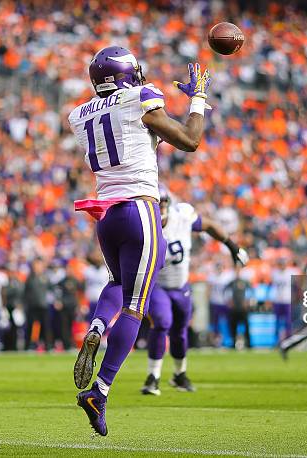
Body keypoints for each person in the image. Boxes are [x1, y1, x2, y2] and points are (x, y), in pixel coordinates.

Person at [70, 46, 211, 436]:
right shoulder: (142, 95)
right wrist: (198, 98)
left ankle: (98, 325)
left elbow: (136, 135)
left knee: (117, 284)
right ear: (127, 74)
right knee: (137, 305)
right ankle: (99, 389)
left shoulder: (79, 114)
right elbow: (189, 139)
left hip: (107, 214)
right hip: (141, 211)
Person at [140, 184, 248, 395]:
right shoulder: (143, 224)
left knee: (180, 331)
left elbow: (208, 225)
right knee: (162, 322)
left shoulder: (182, 215)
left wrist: (232, 246)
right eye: (156, 203)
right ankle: (153, 376)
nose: (161, 207)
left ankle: (179, 375)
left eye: (163, 203)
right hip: (157, 285)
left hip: (181, 286)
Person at [23, 258, 51, 351]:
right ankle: (31, 345)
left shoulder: (45, 278)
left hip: (43, 305)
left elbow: (52, 290)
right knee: (32, 327)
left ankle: (47, 345)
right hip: (32, 306)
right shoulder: (30, 278)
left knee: (46, 326)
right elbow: (26, 292)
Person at [226, 264, 254, 350]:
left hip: (243, 308)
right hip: (235, 308)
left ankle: (248, 343)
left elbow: (251, 291)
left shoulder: (245, 282)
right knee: (233, 326)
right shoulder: (232, 282)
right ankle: (233, 343)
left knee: (246, 326)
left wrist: (248, 302)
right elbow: (226, 291)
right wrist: (229, 301)